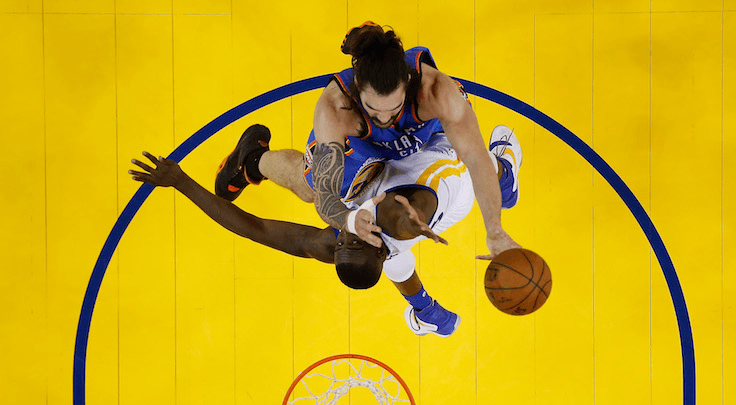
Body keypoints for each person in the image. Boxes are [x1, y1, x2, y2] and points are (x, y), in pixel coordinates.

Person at [129, 125, 522, 336]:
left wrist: (181, 182)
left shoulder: (343, 240)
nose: (350, 230)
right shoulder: (400, 223)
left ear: (338, 247)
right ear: (380, 248)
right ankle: (505, 172)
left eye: (344, 237)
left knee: (317, 187)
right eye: (358, 238)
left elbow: (254, 228)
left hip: (395, 176)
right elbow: (399, 231)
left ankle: (252, 160)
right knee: (484, 171)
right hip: (442, 151)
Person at [213, 22, 520, 259]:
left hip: (425, 131)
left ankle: (504, 171)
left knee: (469, 155)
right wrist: (347, 219)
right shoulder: (335, 108)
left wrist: (494, 229)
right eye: (375, 110)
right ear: (357, 87)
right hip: (362, 144)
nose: (385, 118)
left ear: (408, 84)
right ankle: (253, 159)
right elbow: (325, 196)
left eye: (393, 108)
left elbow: (475, 157)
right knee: (307, 188)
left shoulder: (438, 92)